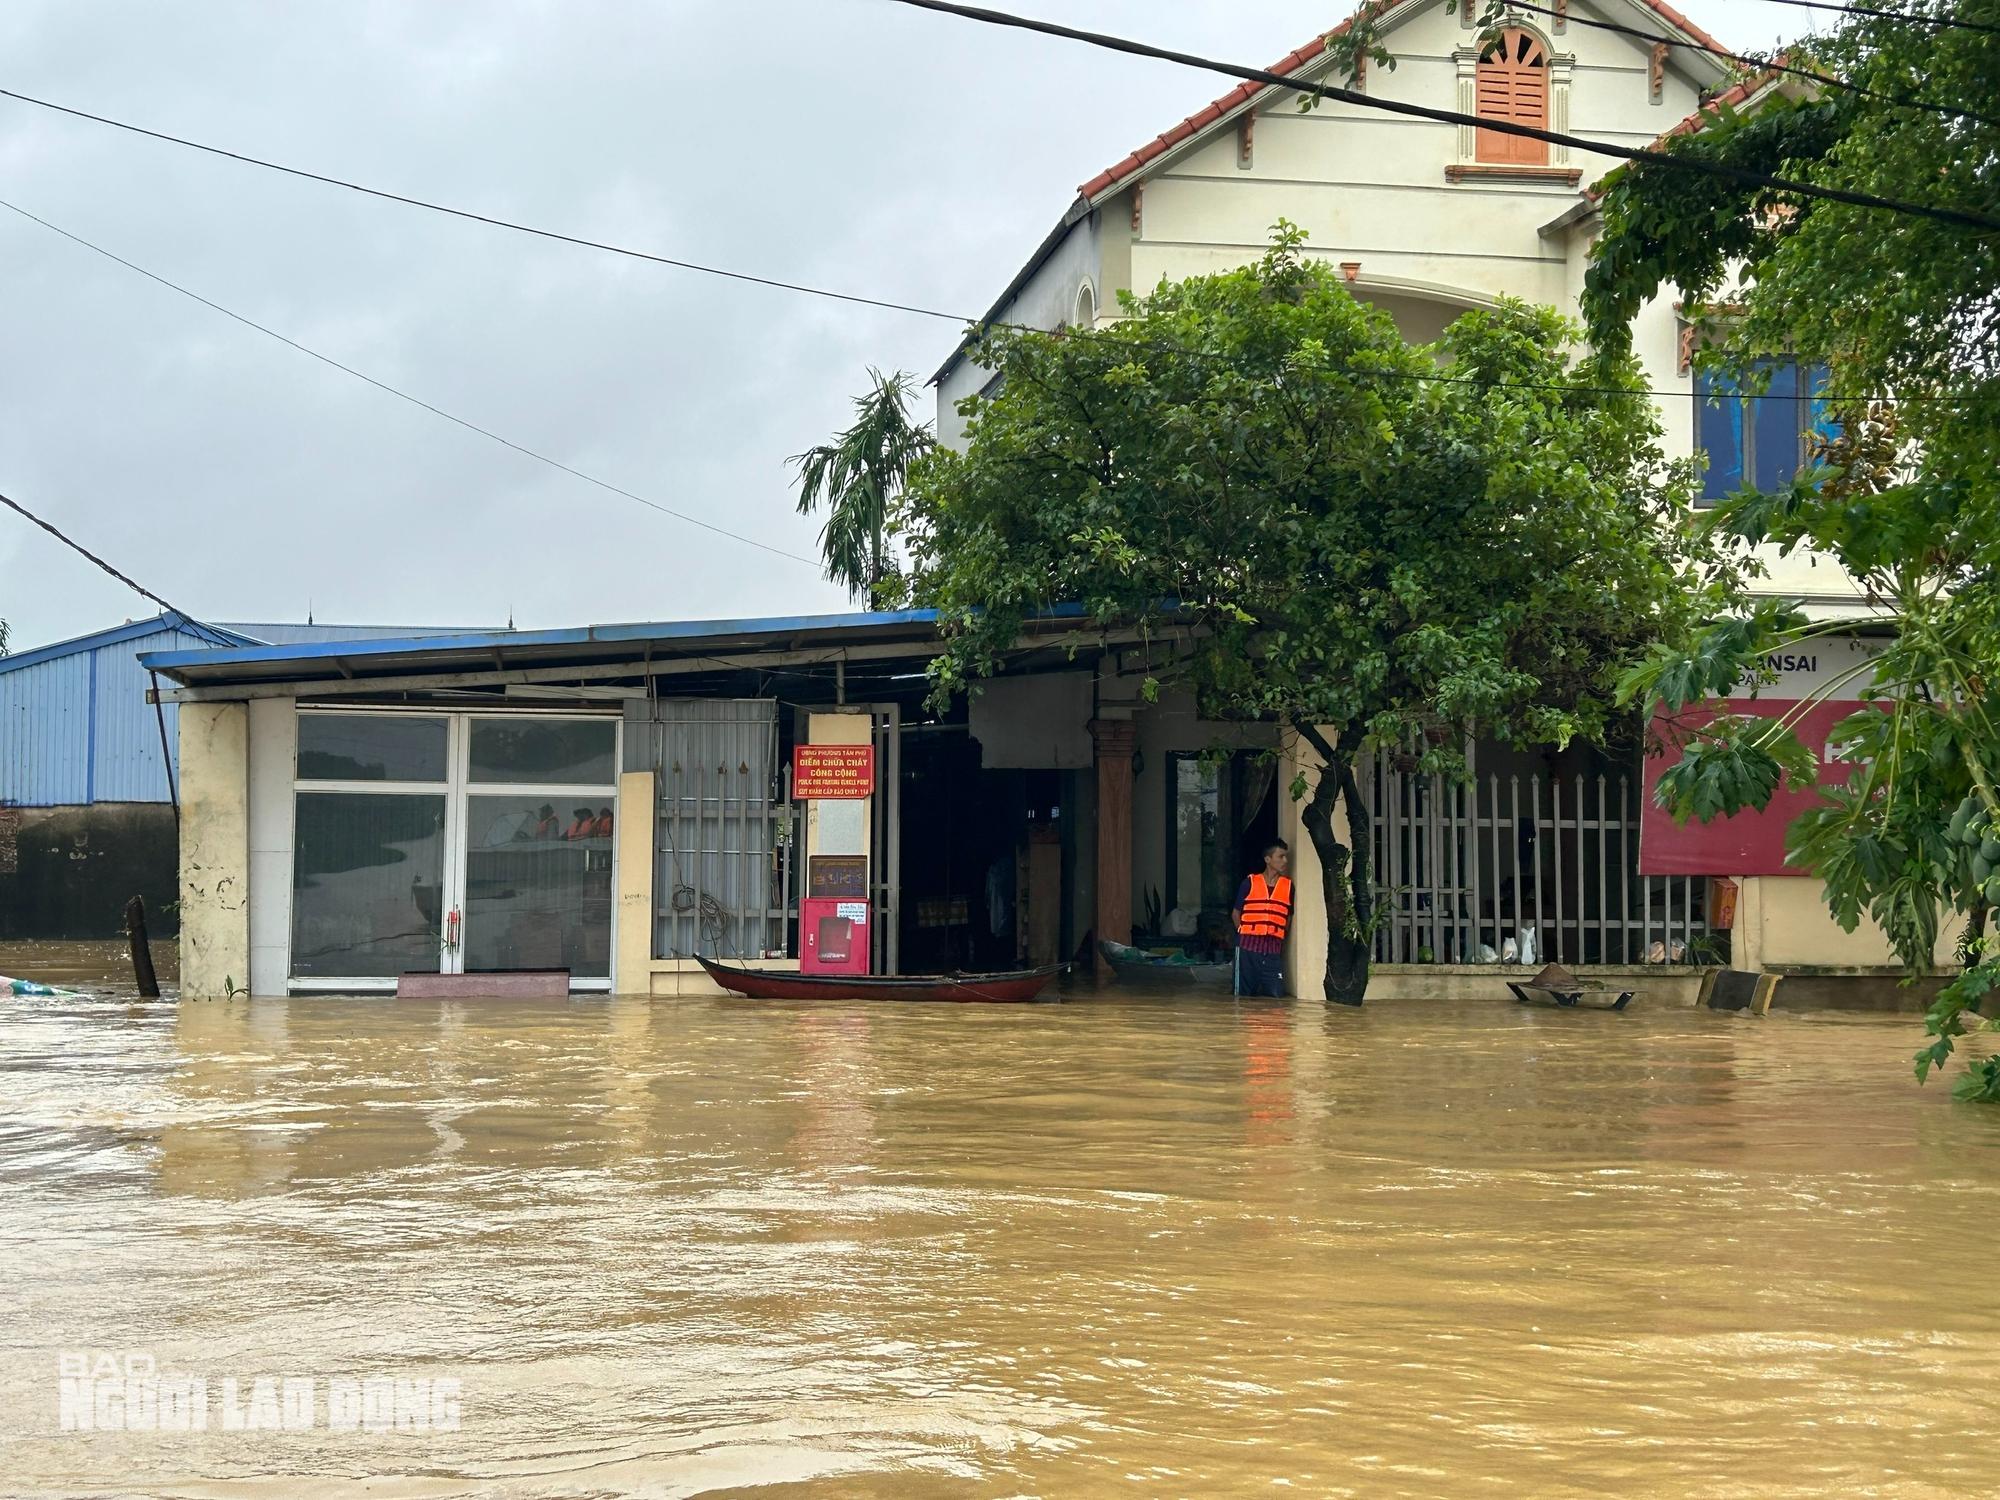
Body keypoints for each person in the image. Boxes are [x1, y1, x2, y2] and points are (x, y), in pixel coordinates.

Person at [1232, 841, 1292, 998]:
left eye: (1286, 857)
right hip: (1247, 948)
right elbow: (1236, 913)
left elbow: (1288, 917)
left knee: (1277, 999)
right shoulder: (1249, 883)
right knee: (1242, 999)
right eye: (1281, 857)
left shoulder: (1288, 886)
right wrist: (1243, 934)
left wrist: (1282, 939)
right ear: (1268, 859)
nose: (1285, 861)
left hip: (1273, 951)